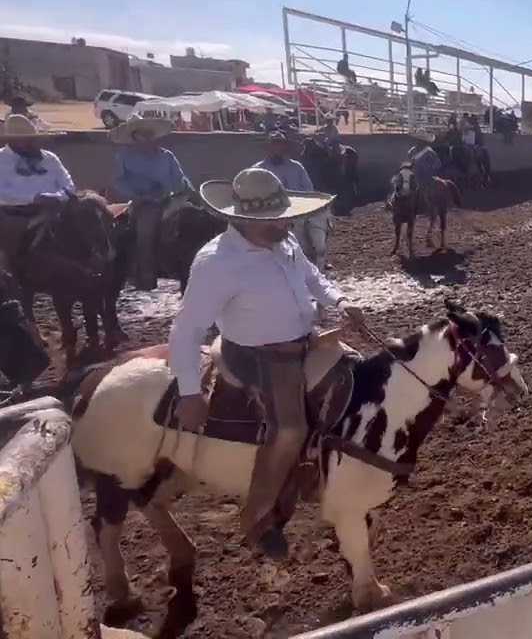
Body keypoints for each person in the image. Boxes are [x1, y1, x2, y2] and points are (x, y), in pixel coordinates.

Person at [167, 167, 366, 558]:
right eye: (276, 220)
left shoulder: (283, 240)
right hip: (259, 356)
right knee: (289, 429)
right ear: (241, 219)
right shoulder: (216, 264)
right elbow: (186, 329)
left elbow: (312, 277)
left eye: (286, 217)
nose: (287, 224)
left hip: (302, 342)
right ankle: (258, 517)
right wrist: (189, 391)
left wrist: (340, 301)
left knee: (356, 373)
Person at [110, 114, 192, 290]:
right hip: (144, 202)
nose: (147, 138)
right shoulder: (125, 156)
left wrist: (184, 188)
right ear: (134, 137)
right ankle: (147, 276)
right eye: (142, 135)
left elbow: (180, 177)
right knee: (146, 231)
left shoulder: (167, 156)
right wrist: (138, 194)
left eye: (149, 134)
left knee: (194, 220)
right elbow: (119, 181)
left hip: (170, 199)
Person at [0, 114, 74, 276]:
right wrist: (34, 198)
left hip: (55, 207)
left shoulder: (49, 158)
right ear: (11, 141)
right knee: (10, 237)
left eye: (32, 139)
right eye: (25, 140)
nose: (31, 143)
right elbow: (2, 193)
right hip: (15, 213)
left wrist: (57, 196)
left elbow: (68, 184)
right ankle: (11, 276)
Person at [252, 131, 326, 264]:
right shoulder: (257, 170)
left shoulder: (296, 167)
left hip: (297, 209)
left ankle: (319, 254)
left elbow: (308, 190)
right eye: (274, 146)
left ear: (285, 148)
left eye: (280, 146)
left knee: (319, 222)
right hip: (271, 211)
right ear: (268, 148)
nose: (277, 149)